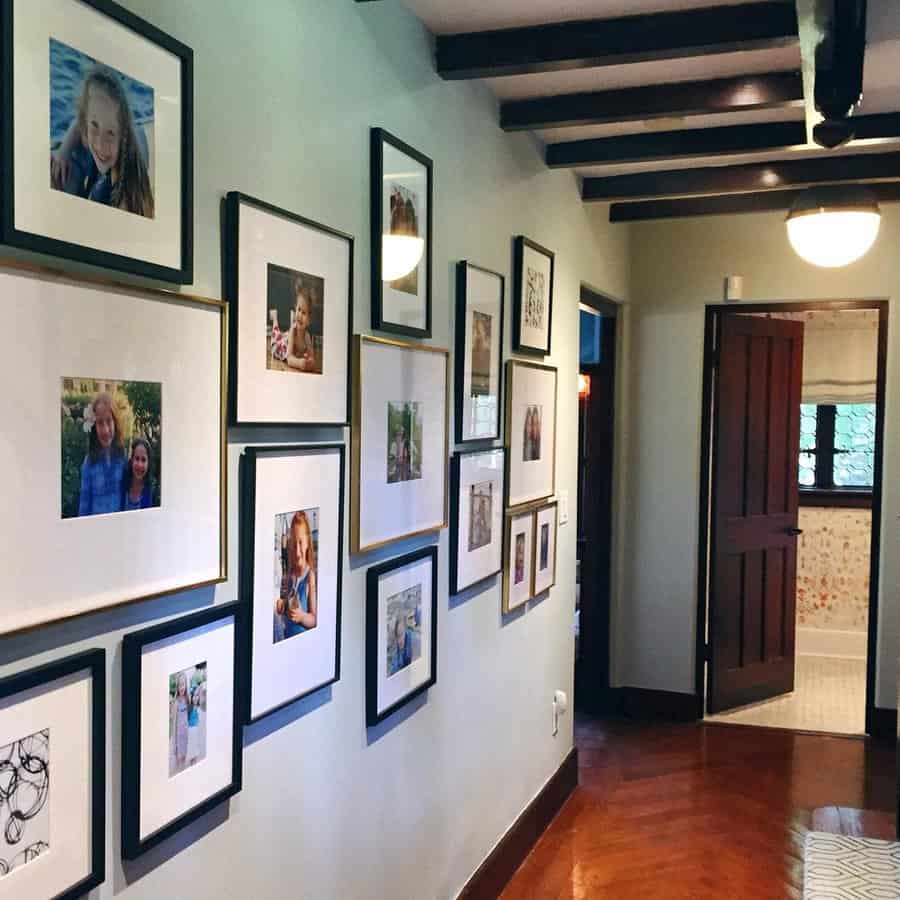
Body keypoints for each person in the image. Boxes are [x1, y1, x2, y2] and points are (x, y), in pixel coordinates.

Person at [50, 65, 155, 218]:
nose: (100, 144)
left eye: (111, 133)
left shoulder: (128, 187)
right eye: (94, 125)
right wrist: (63, 152)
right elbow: (80, 122)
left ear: (123, 137)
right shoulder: (90, 129)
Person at [78, 392, 126, 516]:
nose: (105, 430)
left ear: (115, 422)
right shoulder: (89, 462)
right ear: (94, 427)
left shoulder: (122, 456)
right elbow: (84, 506)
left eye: (109, 421)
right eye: (100, 423)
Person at [274, 511, 318, 641]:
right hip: (287, 639)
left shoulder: (310, 576)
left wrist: (302, 616)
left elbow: (315, 619)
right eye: (294, 544)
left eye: (301, 543)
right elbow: (287, 605)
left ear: (307, 544)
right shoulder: (290, 576)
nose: (297, 551)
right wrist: (282, 604)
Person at [285, 281, 318, 372]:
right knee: (276, 336)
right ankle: (275, 319)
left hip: (298, 358)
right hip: (282, 345)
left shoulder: (307, 336)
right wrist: (299, 363)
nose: (299, 315)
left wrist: (309, 362)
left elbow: (312, 358)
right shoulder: (293, 330)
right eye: (298, 309)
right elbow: (289, 358)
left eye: (303, 313)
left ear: (309, 320)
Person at [122, 437, 155, 511]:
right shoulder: (122, 485)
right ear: (132, 460)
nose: (139, 465)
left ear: (148, 464)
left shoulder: (152, 492)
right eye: (137, 458)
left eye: (143, 460)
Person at [170, 672, 190, 774]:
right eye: (180, 685)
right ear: (177, 687)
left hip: (185, 738)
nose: (182, 687)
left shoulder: (186, 700)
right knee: (178, 765)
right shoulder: (176, 703)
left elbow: (187, 720)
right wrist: (174, 746)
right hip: (178, 741)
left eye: (183, 684)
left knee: (184, 762)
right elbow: (174, 726)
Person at [186, 677, 204, 766]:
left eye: (197, 696)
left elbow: (200, 691)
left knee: (195, 751)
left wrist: (199, 688)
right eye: (194, 696)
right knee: (191, 752)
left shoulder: (197, 706)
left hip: (195, 731)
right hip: (191, 731)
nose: (196, 698)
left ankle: (194, 763)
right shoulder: (190, 707)